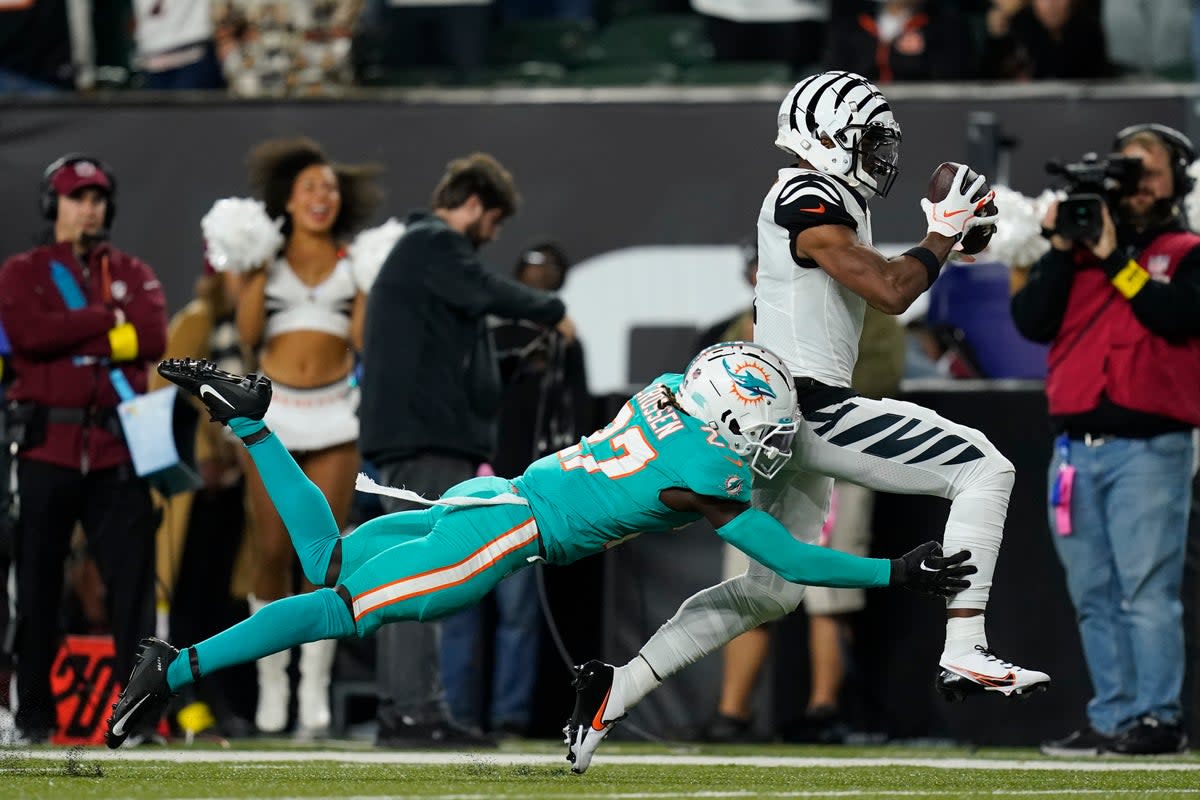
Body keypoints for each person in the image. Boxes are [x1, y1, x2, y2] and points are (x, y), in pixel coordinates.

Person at [103, 343, 975, 749]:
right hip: (508, 527)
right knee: (339, 607)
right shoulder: (702, 471)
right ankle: (172, 667)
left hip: (498, 492)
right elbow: (790, 562)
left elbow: (713, 403)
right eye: (757, 431)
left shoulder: (674, 393)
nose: (766, 446)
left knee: (331, 564)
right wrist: (893, 570)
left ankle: (253, 421)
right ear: (725, 423)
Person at [564, 70, 1050, 774]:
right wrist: (941, 234)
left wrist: (951, 242)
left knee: (770, 591)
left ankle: (619, 687)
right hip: (807, 403)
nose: (882, 156)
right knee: (984, 465)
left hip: (783, 414)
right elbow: (889, 291)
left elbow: (878, 279)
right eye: (871, 140)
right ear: (827, 139)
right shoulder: (806, 195)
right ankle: (964, 648)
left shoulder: (825, 199)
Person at [358, 153, 571, 748]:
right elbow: (486, 291)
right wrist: (554, 311)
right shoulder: (433, 243)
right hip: (422, 440)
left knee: (408, 572)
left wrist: (505, 365)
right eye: (494, 220)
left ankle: (404, 710)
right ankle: (415, 713)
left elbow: (438, 358)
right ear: (473, 204)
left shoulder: (425, 258)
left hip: (417, 435)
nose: (494, 236)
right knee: (418, 574)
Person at [1012, 123, 1200, 756]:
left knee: (1146, 592)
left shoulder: (1187, 250)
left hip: (1150, 448)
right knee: (1093, 594)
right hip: (1073, 450)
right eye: (1128, 168)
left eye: (1150, 169)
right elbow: (1030, 321)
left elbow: (1173, 317)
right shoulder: (1078, 254)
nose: (1137, 181)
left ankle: (1159, 718)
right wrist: (1066, 249)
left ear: (1178, 179)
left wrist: (1115, 259)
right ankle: (1115, 716)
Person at [0, 154, 167, 743]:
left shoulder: (132, 269)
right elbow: (28, 335)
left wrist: (75, 328)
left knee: (132, 594)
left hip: (117, 447)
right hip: (48, 444)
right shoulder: (23, 271)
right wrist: (106, 323)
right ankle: (34, 716)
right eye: (76, 197)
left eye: (97, 198)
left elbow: (151, 337)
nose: (88, 208)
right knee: (37, 590)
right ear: (54, 205)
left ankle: (136, 718)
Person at [235, 137, 383, 736]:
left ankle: (313, 690)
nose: (322, 197)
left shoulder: (356, 259)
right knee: (269, 549)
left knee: (323, 558)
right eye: (309, 188)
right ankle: (272, 682)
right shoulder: (263, 259)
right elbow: (247, 337)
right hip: (274, 414)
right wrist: (248, 267)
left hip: (336, 413)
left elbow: (364, 343)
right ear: (288, 201)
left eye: (330, 188)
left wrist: (370, 283)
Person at [440, 241, 589, 738]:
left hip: (528, 490)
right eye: (528, 271)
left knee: (519, 612)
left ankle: (508, 715)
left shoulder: (567, 343)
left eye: (546, 273)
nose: (536, 280)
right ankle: (457, 711)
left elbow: (576, 417)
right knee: (459, 602)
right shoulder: (485, 331)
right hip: (471, 482)